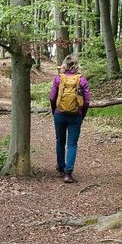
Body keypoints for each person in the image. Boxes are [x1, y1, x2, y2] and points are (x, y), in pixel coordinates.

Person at [49, 54, 90, 183]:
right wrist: (82, 114)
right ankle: (68, 173)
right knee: (72, 144)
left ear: (64, 65)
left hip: (59, 114)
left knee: (60, 141)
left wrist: (54, 111)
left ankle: (61, 167)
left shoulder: (58, 79)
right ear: (76, 65)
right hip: (76, 115)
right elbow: (86, 101)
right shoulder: (82, 80)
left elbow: (52, 98)